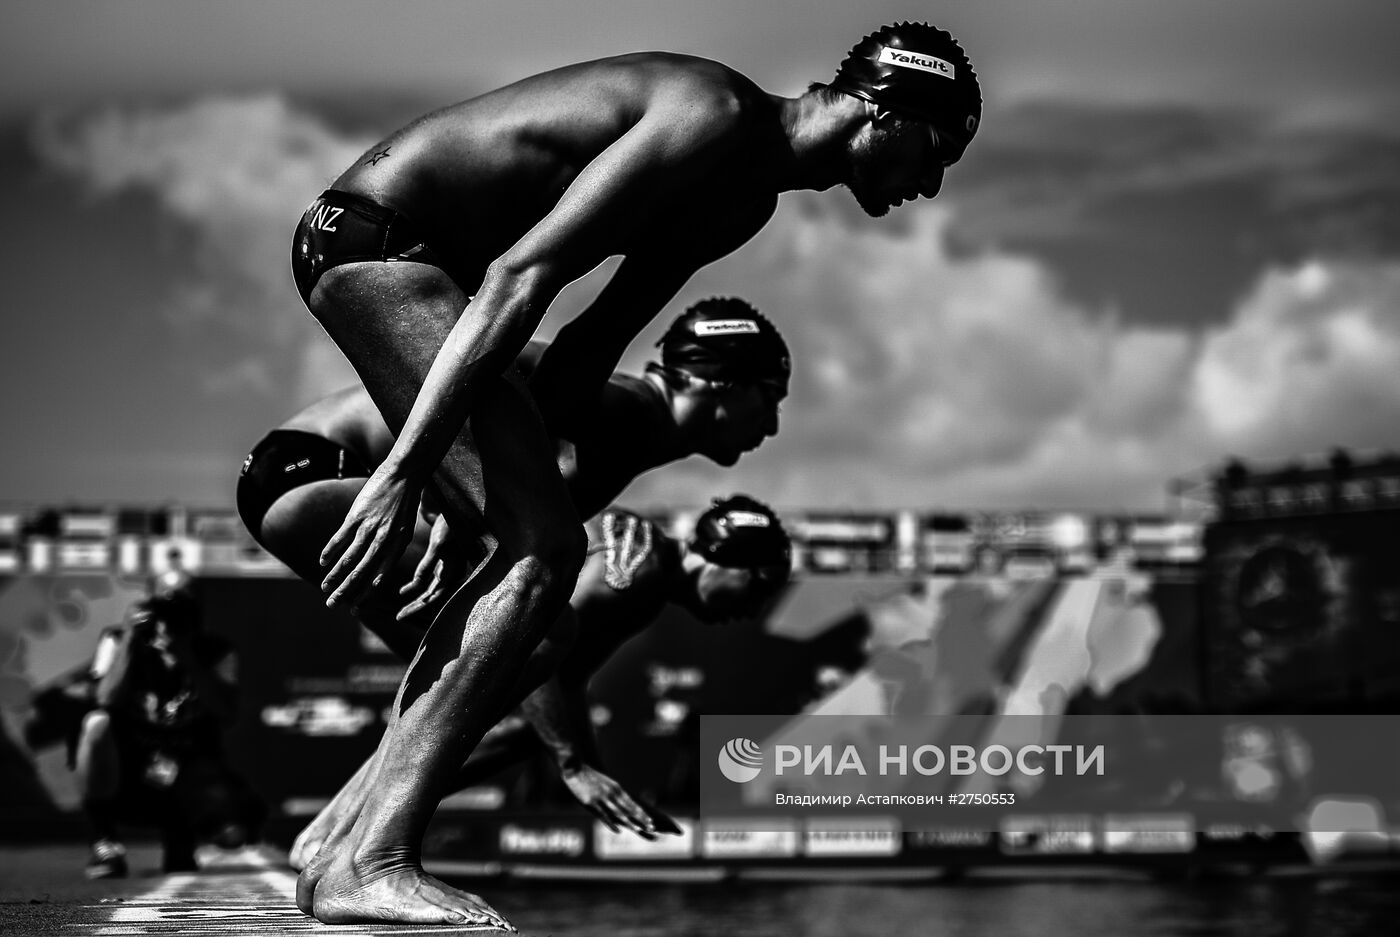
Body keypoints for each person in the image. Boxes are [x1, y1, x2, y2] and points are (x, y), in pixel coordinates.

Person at [290, 23, 980, 926]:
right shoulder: (716, 116)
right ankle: (368, 861)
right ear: (885, 112)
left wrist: (524, 468)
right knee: (542, 554)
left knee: (534, 591)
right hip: (382, 242)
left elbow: (587, 350)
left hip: (424, 270)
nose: (927, 185)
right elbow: (519, 277)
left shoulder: (745, 201)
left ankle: (342, 848)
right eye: (936, 154)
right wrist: (408, 472)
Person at [237, 299, 788, 871]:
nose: (771, 425)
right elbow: (476, 347)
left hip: (296, 473)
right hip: (323, 469)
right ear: (722, 382)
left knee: (478, 687)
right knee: (535, 638)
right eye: (771, 397)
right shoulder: (624, 409)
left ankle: (335, 839)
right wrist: (426, 476)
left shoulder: (630, 433)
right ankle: (356, 845)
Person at [75, 578, 263, 878]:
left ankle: (183, 837)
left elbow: (225, 712)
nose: (168, 622)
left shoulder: (214, 651)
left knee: (233, 834)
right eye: (163, 608)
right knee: (96, 724)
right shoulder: (118, 641)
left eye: (180, 609)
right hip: (128, 771)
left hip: (188, 768)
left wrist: (186, 657)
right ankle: (105, 840)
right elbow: (105, 699)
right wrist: (130, 640)